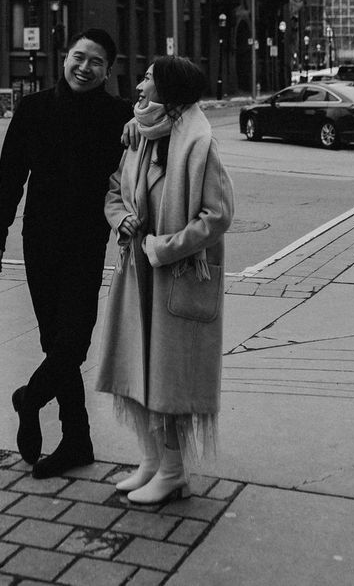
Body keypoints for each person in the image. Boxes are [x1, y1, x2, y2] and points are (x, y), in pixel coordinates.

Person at [0, 28, 134, 479]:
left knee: (75, 340)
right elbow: (11, 177)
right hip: (42, 241)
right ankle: (77, 441)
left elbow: (140, 170)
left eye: (95, 62)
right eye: (77, 57)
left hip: (88, 243)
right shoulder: (34, 110)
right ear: (65, 58)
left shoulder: (120, 116)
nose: (83, 67)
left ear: (108, 70)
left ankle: (29, 400)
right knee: (57, 342)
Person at [96, 56, 234, 506]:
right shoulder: (139, 137)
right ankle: (152, 461)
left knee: (168, 378)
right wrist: (122, 221)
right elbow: (115, 189)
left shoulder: (198, 145)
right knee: (138, 370)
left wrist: (164, 246)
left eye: (149, 80)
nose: (139, 87)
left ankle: (173, 471)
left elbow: (218, 216)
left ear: (169, 93)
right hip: (136, 278)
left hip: (174, 279)